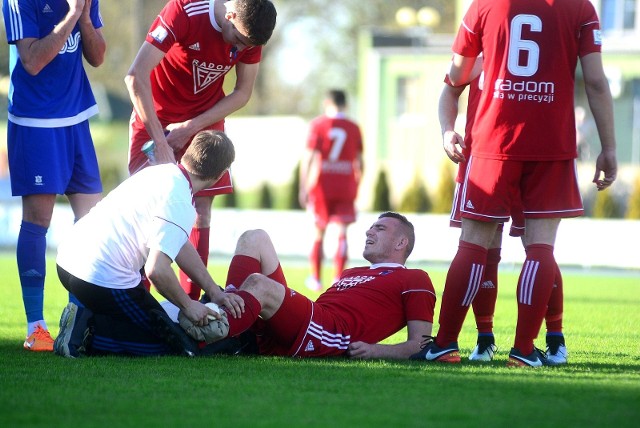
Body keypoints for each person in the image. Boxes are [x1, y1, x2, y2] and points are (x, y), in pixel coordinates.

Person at [412, 0, 617, 367]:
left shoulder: (485, 5)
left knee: (474, 243)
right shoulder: (581, 9)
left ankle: (445, 343)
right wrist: (609, 146)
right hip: (550, 143)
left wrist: (447, 131)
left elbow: (455, 78)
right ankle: (524, 350)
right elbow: (597, 83)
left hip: (493, 140)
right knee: (540, 245)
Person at [124, 0, 277, 301]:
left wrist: (189, 129)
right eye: (239, 39)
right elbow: (135, 76)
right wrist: (162, 140)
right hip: (156, 118)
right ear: (230, 15)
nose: (241, 48)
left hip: (204, 121)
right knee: (146, 208)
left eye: (248, 45)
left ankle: (190, 307)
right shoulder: (184, 11)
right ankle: (139, 301)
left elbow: (243, 93)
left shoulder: (251, 34)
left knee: (201, 211)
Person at [54, 130, 245, 358]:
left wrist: (213, 291)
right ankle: (86, 330)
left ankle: (86, 313)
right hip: (100, 278)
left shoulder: (160, 173)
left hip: (66, 262)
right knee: (175, 346)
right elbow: (157, 270)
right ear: (221, 174)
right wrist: (188, 305)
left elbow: (179, 243)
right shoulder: (181, 201)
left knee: (152, 323)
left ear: (188, 154)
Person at [439, 60, 567, 364]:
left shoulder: (482, 53)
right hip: (526, 158)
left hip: (493, 158)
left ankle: (544, 338)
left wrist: (447, 131)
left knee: (508, 247)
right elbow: (450, 89)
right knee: (535, 248)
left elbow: (450, 88)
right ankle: (511, 340)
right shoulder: (548, 42)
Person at [178, 211, 436, 359]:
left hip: (331, 332)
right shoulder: (351, 272)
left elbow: (420, 344)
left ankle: (213, 334)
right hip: (312, 319)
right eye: (371, 227)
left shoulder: (415, 278)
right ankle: (230, 321)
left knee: (259, 283)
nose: (369, 232)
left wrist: (375, 351)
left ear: (401, 243)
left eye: (379, 229)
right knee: (253, 237)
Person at [2, 0, 106, 351]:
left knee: (94, 225)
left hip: (76, 118)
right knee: (38, 222)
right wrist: (73, 15)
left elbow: (98, 56)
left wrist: (86, 17)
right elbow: (31, 61)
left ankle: (79, 318)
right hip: (36, 122)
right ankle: (36, 329)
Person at [299, 89, 364, 292]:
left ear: (327, 102)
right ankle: (338, 278)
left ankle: (316, 279)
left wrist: (303, 187)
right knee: (342, 232)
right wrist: (356, 186)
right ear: (346, 105)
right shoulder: (354, 128)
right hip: (346, 184)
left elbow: (309, 158)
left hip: (322, 185)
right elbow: (361, 163)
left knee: (319, 231)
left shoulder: (318, 125)